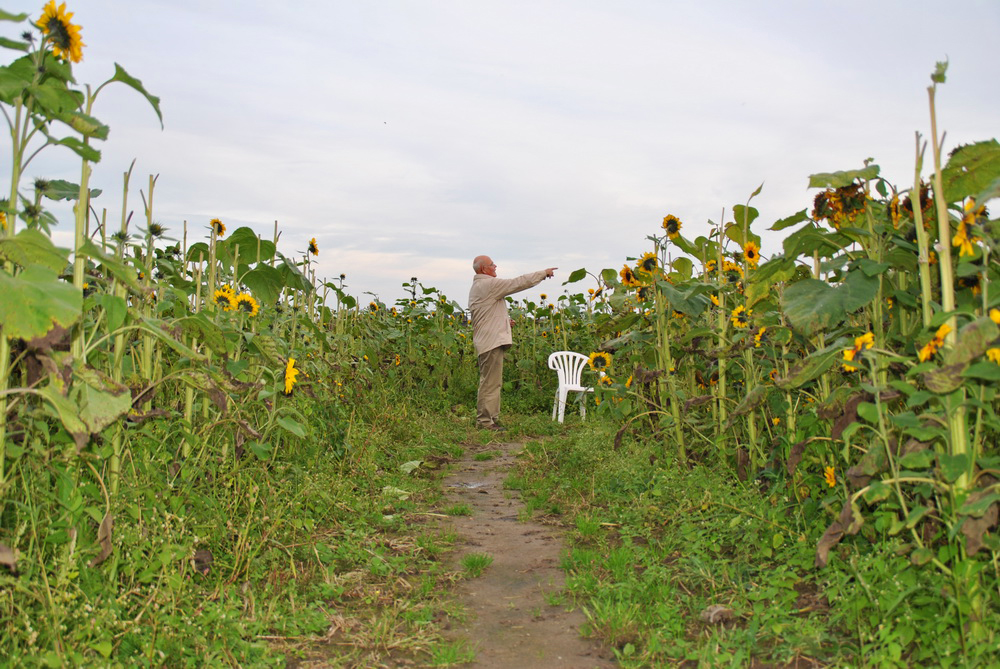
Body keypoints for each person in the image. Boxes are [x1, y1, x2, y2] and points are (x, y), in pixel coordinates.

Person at [468, 255, 557, 431]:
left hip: (488, 339)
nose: (495, 267)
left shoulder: (479, 286)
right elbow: (518, 282)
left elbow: (484, 314)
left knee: (492, 382)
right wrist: (543, 273)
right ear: (484, 269)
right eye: (492, 265)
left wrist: (504, 321)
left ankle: (490, 418)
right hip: (491, 342)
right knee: (490, 383)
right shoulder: (489, 284)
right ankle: (485, 422)